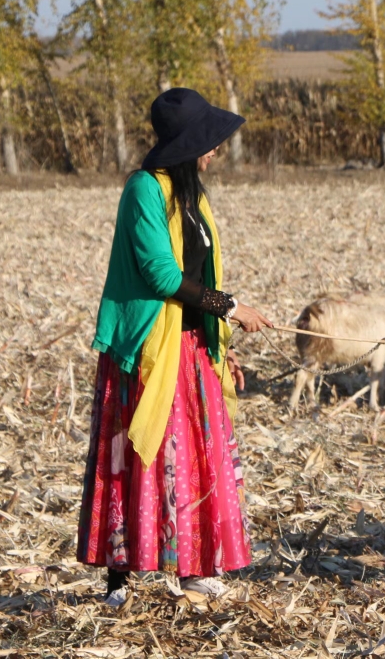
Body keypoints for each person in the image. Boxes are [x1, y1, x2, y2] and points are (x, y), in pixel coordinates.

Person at [78, 88, 274, 606]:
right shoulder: (143, 190)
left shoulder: (193, 195)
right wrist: (232, 307)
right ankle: (119, 576)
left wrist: (222, 341)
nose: (214, 151)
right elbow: (162, 275)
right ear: (188, 145)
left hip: (192, 346)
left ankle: (191, 570)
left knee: (193, 459)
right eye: (207, 142)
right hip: (147, 349)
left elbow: (202, 269)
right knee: (136, 456)